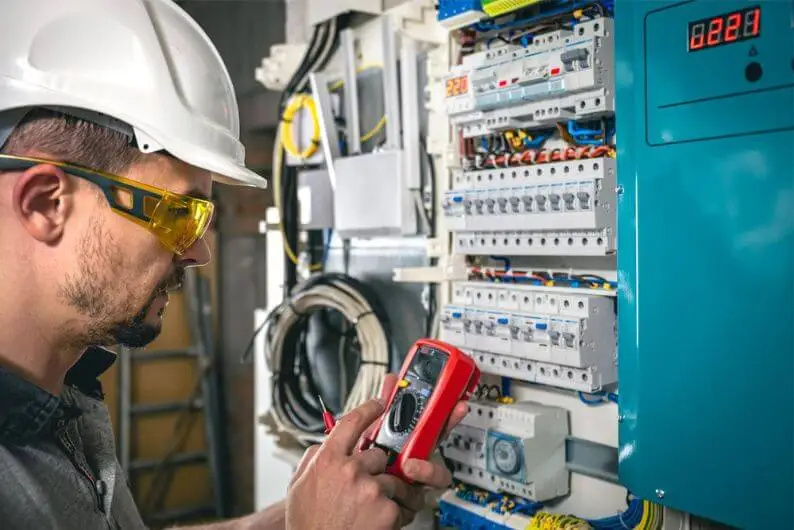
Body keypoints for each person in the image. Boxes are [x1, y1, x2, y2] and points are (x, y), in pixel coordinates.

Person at [0, 0, 468, 529]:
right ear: (46, 204)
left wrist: (305, 511)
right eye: (179, 212)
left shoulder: (64, 394)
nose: (198, 252)